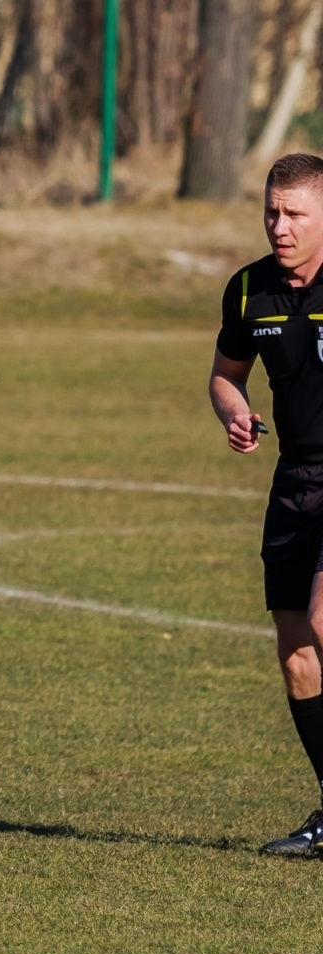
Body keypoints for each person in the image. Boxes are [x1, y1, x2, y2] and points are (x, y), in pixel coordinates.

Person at [210, 151, 323, 856]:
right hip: (296, 481)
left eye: (295, 215)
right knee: (298, 658)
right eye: (271, 212)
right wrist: (232, 409)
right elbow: (225, 375)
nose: (279, 226)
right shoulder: (249, 290)